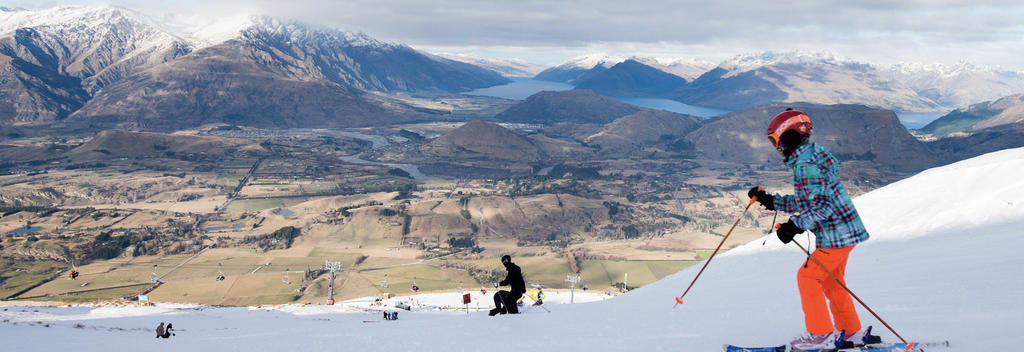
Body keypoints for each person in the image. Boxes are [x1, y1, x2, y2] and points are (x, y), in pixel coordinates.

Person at [748, 109, 876, 350]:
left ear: (787, 137)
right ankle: (850, 332)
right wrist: (771, 201)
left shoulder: (805, 165)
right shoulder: (812, 157)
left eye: (775, 141)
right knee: (831, 282)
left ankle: (821, 335)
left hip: (836, 236)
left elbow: (822, 207)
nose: (777, 148)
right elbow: (809, 201)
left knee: (807, 278)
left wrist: (794, 226)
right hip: (844, 232)